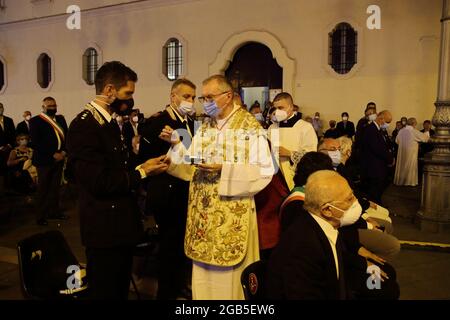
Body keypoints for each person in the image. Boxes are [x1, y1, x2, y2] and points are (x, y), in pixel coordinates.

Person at [161, 75, 274, 300]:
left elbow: (264, 171)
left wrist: (225, 168)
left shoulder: (250, 126)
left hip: (232, 214)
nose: (205, 103)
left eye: (210, 97)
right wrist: (176, 147)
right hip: (202, 216)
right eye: (204, 98)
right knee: (203, 281)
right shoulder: (205, 127)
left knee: (229, 284)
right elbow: (191, 165)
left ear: (228, 96)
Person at [66, 61, 169, 299]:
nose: (130, 99)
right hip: (103, 228)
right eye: (128, 93)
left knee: (120, 289)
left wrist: (144, 165)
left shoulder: (110, 123)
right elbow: (99, 182)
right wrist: (142, 172)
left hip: (121, 225)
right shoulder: (85, 125)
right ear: (110, 90)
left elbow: (119, 167)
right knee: (106, 291)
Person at [267, 170, 399, 300]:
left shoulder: (326, 223)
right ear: (327, 210)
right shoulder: (303, 247)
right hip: (336, 284)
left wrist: (364, 264)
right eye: (349, 199)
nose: (355, 203)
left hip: (341, 276)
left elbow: (340, 255)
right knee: (386, 290)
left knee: (388, 274)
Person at [138, 78, 197, 300]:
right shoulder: (158, 122)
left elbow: (194, 153)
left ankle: (179, 284)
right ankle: (167, 292)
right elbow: (146, 158)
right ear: (173, 97)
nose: (190, 101)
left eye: (193, 97)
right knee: (170, 247)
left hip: (185, 189)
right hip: (167, 192)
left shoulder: (190, 122)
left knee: (182, 245)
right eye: (186, 96)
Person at [29, 97, 68, 225]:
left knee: (55, 188)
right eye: (49, 106)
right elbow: (35, 142)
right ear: (43, 107)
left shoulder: (61, 119)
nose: (52, 108)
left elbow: (66, 136)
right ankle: (40, 216)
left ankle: (54, 212)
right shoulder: (36, 121)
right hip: (44, 160)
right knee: (43, 189)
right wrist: (53, 153)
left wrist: (63, 151)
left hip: (59, 158)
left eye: (54, 106)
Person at [269, 92, 317, 190]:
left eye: (281, 108)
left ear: (291, 107)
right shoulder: (272, 128)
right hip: (275, 177)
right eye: (275, 108)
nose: (277, 111)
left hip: (296, 175)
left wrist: (289, 154)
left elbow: (312, 157)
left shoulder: (305, 127)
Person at [361, 110, 394, 204]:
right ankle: (375, 208)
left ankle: (378, 205)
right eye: (387, 122)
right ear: (381, 118)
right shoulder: (370, 129)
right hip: (373, 166)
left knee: (378, 190)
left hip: (379, 165)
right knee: (374, 191)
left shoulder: (378, 129)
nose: (387, 124)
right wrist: (390, 159)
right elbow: (377, 148)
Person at [394, 117, 430, 186]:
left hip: (402, 152)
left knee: (402, 166)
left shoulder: (401, 131)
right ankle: (409, 182)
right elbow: (425, 138)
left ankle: (400, 181)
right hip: (411, 153)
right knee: (410, 166)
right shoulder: (413, 131)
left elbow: (397, 141)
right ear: (413, 124)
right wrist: (427, 131)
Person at [0, 103, 16, 193]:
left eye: (1, 107)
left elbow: (13, 134)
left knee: (9, 169)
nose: (0, 109)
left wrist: (9, 145)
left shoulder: (9, 120)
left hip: (9, 149)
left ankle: (10, 188)